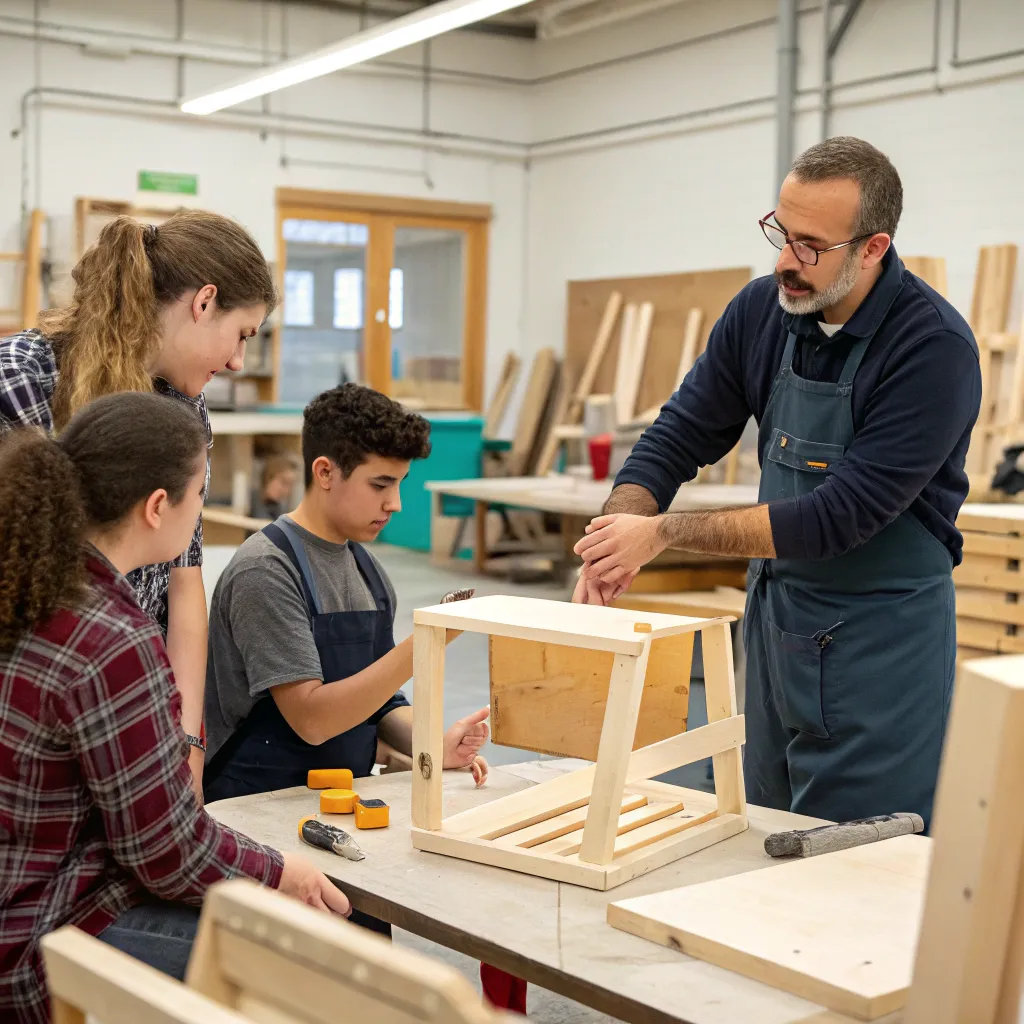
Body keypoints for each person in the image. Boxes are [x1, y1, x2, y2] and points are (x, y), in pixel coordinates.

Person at [572, 136, 981, 830]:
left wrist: (662, 534)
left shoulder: (931, 348)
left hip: (879, 646)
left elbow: (835, 518)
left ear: (873, 248)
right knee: (753, 830)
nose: (787, 261)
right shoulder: (764, 311)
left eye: (811, 245)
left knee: (854, 863)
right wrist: (617, 529)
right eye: (782, 234)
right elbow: (679, 433)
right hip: (777, 626)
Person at [0, 393, 348, 1024]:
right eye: (198, 498)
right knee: (316, 973)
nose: (200, 515)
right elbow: (165, 851)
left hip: (24, 899)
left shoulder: (29, 584)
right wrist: (280, 873)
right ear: (159, 507)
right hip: (42, 938)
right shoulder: (109, 638)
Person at [0, 210, 276, 798]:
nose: (237, 363)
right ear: (203, 303)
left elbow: (184, 583)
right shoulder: (22, 382)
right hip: (37, 707)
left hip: (130, 698)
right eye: (242, 334)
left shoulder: (183, 407)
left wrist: (186, 748)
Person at [203, 383, 489, 802]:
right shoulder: (266, 570)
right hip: (254, 803)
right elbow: (311, 719)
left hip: (336, 797)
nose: (395, 504)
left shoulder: (368, 571)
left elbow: (381, 699)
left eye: (399, 485)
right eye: (380, 485)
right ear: (325, 473)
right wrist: (428, 640)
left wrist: (431, 744)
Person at [251, 453, 299, 520]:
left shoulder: (280, 510)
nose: (287, 491)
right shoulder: (246, 500)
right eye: (284, 482)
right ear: (268, 477)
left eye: (290, 486)